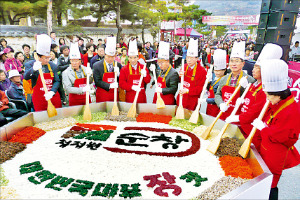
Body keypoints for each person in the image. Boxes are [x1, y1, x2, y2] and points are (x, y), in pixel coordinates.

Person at [251, 59, 300, 200]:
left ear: (279, 93)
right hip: (267, 148)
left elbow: (283, 136)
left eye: (269, 95)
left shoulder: (291, 110)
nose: (267, 99)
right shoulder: (278, 102)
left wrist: (264, 129)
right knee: (263, 180)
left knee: (271, 183)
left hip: (276, 153)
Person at [225, 43, 283, 150]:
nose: (253, 69)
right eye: (254, 66)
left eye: (257, 67)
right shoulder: (253, 85)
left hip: (254, 131)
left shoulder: (265, 90)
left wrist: (238, 117)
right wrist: (241, 102)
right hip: (244, 127)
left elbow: (255, 111)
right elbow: (248, 101)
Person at [215, 41, 255, 120]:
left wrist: (246, 88)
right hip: (223, 115)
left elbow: (253, 99)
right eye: (232, 61)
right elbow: (217, 94)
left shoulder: (250, 80)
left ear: (243, 64)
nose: (233, 64)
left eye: (237, 61)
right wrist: (221, 104)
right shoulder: (224, 79)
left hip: (238, 116)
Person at [24, 34, 62, 111]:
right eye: (45, 58)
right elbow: (26, 77)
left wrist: (52, 92)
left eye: (49, 58)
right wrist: (34, 69)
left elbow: (57, 81)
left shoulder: (52, 65)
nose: (48, 60)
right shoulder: (30, 64)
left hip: (52, 96)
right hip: (39, 98)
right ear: (38, 57)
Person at [177, 38, 207, 111]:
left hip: (193, 100)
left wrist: (188, 91)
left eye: (191, 58)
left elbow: (201, 88)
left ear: (197, 59)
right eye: (187, 57)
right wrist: (180, 76)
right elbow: (180, 81)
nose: (189, 60)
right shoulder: (184, 66)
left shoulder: (202, 71)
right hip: (181, 98)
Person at [93, 37, 122, 102]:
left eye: (112, 57)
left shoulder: (118, 65)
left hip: (114, 95)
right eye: (108, 56)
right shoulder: (97, 66)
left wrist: (118, 75)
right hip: (102, 95)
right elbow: (97, 81)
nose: (110, 59)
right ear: (105, 55)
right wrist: (109, 85)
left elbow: (121, 80)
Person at [205, 49, 227, 117]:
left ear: (224, 70)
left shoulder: (224, 81)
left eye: (219, 71)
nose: (217, 72)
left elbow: (219, 97)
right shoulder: (214, 78)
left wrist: (206, 100)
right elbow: (209, 89)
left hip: (216, 108)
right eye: (215, 70)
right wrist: (208, 82)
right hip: (209, 107)